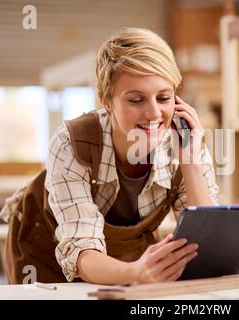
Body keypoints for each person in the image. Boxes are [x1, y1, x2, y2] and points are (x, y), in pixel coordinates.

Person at [41, 28, 219, 285]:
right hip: (49, 259)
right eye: (136, 100)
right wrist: (136, 273)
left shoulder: (184, 141)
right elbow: (81, 251)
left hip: (130, 263)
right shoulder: (71, 143)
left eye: (164, 97)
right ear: (107, 101)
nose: (154, 113)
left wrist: (191, 164)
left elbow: (209, 246)